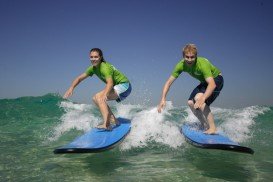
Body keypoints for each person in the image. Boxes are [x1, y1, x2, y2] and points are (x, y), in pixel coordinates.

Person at [157, 44, 224, 134]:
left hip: (216, 79)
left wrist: (203, 98)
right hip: (204, 82)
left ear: (196, 56)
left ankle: (212, 128)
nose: (189, 60)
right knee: (190, 102)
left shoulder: (202, 64)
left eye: (192, 57)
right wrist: (163, 98)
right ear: (183, 56)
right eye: (187, 57)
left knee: (198, 98)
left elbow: (212, 84)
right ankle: (204, 124)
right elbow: (168, 82)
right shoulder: (181, 65)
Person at [63, 48, 132, 130]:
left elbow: (110, 83)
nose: (93, 59)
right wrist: (71, 88)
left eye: (96, 57)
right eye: (91, 57)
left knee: (99, 97)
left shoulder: (105, 67)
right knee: (95, 98)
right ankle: (113, 120)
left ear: (100, 57)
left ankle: (106, 124)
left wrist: (105, 94)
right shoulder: (93, 68)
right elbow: (79, 78)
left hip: (124, 86)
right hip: (116, 87)